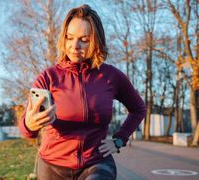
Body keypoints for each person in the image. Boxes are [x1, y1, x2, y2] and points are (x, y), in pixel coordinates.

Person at [19, 4, 146, 180]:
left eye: (84, 40)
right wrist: (30, 125)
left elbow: (138, 109)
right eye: (69, 38)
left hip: (96, 163)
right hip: (52, 167)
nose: (74, 46)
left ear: (96, 41)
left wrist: (119, 140)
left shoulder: (111, 76)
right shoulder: (48, 77)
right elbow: (27, 130)